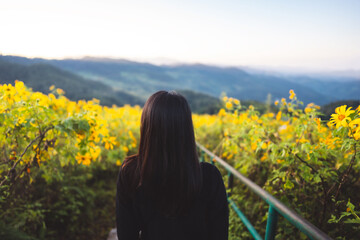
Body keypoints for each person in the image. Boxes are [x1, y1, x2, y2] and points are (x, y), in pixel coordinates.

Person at [116, 90, 229, 240]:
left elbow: (126, 234)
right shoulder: (210, 176)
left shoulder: (130, 172)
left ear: (147, 127)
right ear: (187, 129)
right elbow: (219, 234)